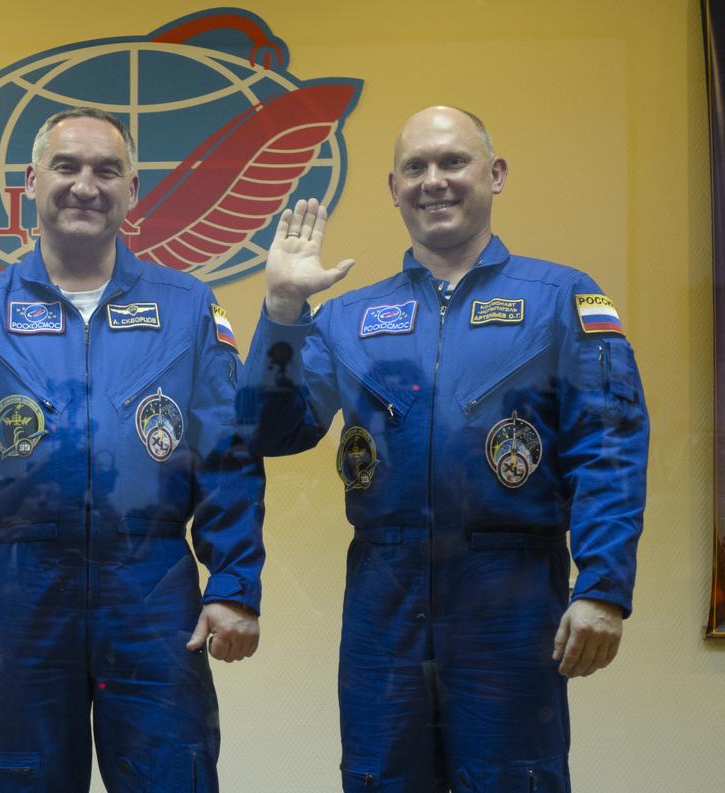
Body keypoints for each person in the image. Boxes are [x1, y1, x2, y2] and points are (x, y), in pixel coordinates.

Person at [0, 107, 265, 792]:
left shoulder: (186, 304)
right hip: (24, 584)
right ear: (30, 180)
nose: (85, 185)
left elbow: (229, 451)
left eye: (106, 171)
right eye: (67, 167)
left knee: (171, 775)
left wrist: (235, 581)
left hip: (152, 584)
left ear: (133, 188)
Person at [242, 106, 649, 791]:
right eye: (416, 167)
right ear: (393, 187)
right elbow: (272, 429)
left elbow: (608, 446)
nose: (435, 180)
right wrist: (283, 311)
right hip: (384, 598)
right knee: (379, 777)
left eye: (453, 161)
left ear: (495, 174)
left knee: (513, 778)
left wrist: (603, 586)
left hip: (512, 597)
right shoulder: (348, 318)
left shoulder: (563, 299)